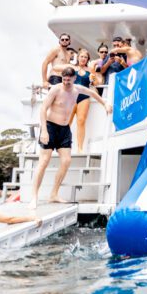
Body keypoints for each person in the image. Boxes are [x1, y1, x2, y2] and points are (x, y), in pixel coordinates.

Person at [30, 66, 112, 208]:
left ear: (74, 78)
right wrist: (44, 130)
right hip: (50, 127)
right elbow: (43, 108)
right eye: (64, 79)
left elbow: (93, 94)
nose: (66, 82)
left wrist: (104, 103)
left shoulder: (77, 89)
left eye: (69, 79)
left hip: (64, 129)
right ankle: (34, 197)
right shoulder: (56, 89)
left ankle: (54, 194)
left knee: (67, 161)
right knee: (43, 161)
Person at [70, 49, 94, 153]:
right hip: (71, 96)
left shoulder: (90, 70)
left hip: (84, 96)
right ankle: (63, 144)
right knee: (67, 122)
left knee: (81, 121)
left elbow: (96, 82)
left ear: (88, 59)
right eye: (81, 56)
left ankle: (80, 148)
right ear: (78, 57)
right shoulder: (71, 68)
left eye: (85, 57)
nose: (83, 58)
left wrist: (94, 80)